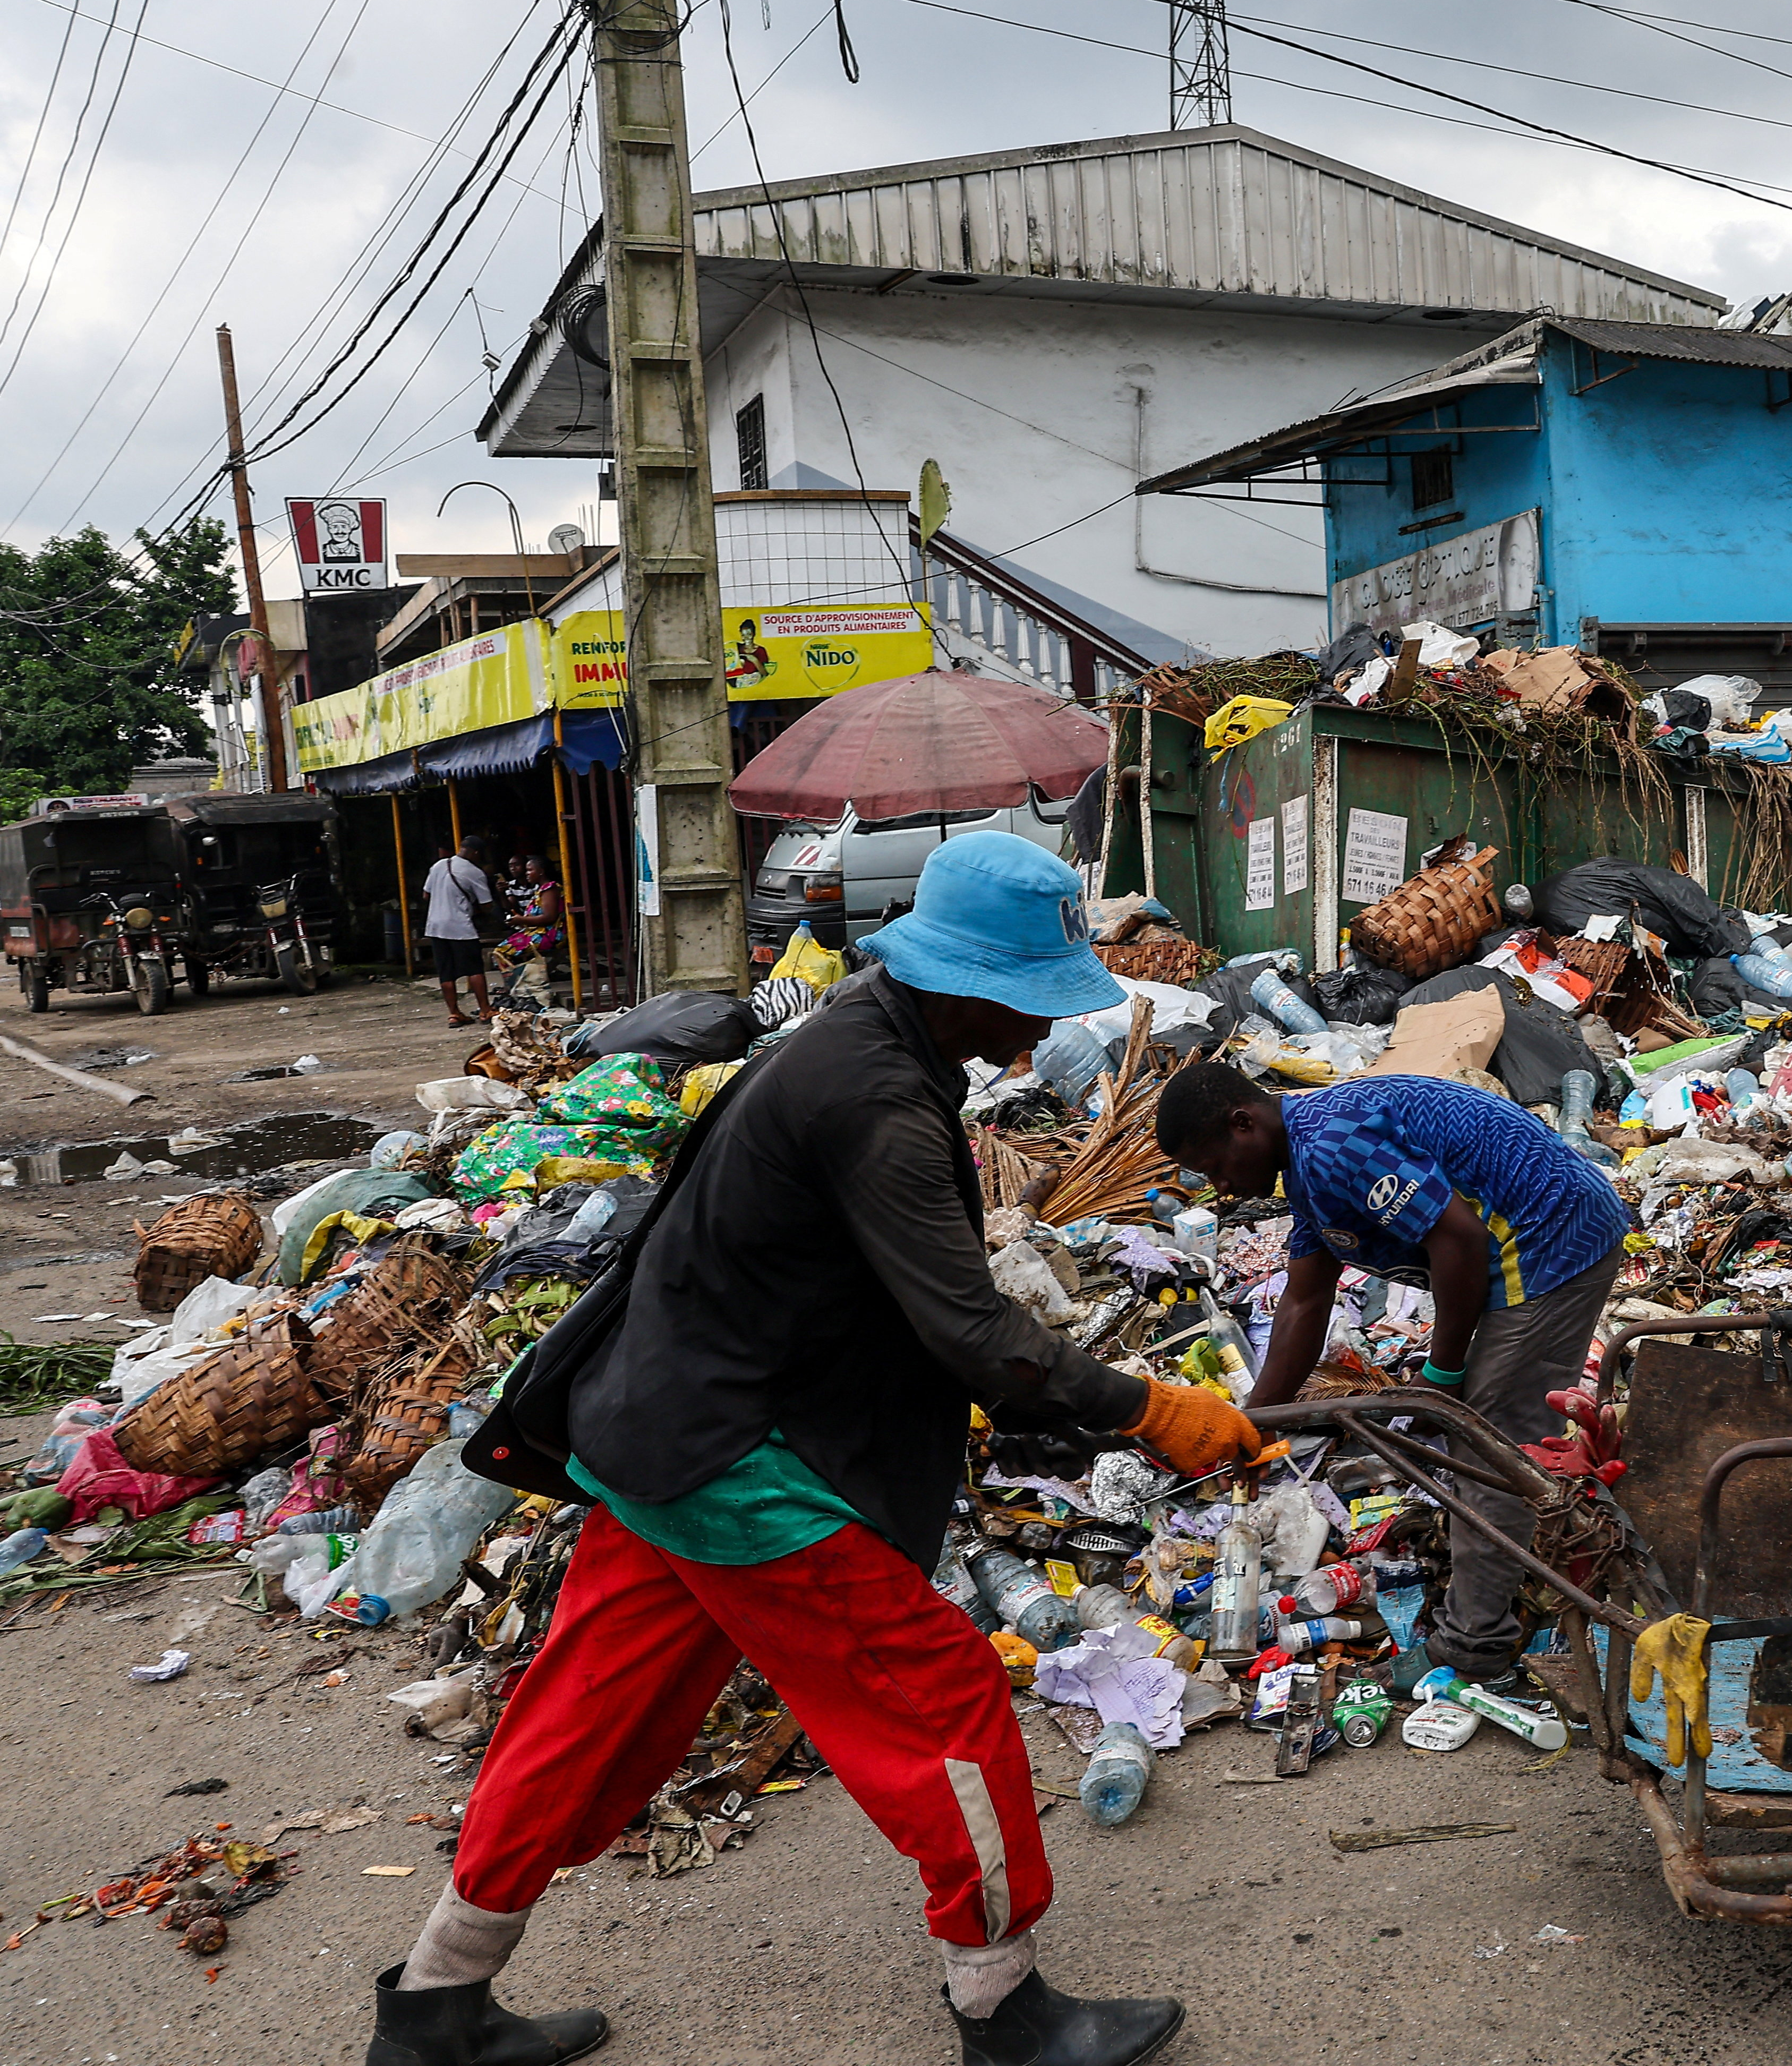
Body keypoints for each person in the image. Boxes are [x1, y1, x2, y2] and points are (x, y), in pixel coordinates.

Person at [372, 833, 1247, 2066]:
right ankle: (1006, 2010)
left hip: (651, 1427)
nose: (1030, 1034)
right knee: (941, 1700)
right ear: (962, 982)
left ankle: (433, 2004)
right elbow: (969, 1328)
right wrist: (1149, 1409)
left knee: (581, 1718)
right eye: (1022, 1002)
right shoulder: (879, 1099)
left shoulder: (860, 1040)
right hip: (730, 1459)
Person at [1156, 1065, 1628, 1681]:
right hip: (1530, 1239)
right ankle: (1502, 1594)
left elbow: (1458, 1239)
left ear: (1244, 1123)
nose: (1221, 1187)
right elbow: (1304, 1300)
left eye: (1217, 1165)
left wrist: (1443, 1370)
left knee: (1488, 1440)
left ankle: (1474, 1647)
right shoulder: (1304, 1157)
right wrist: (1257, 1423)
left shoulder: (1330, 1144)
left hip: (1552, 1238)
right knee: (1481, 1432)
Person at [422, 833, 499, 1028]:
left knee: (446, 973)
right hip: (460, 927)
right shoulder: (475, 872)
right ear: (475, 853)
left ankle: (454, 1015)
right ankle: (485, 1010)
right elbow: (487, 905)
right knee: (474, 969)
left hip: (435, 927)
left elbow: (426, 895)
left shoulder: (439, 865)